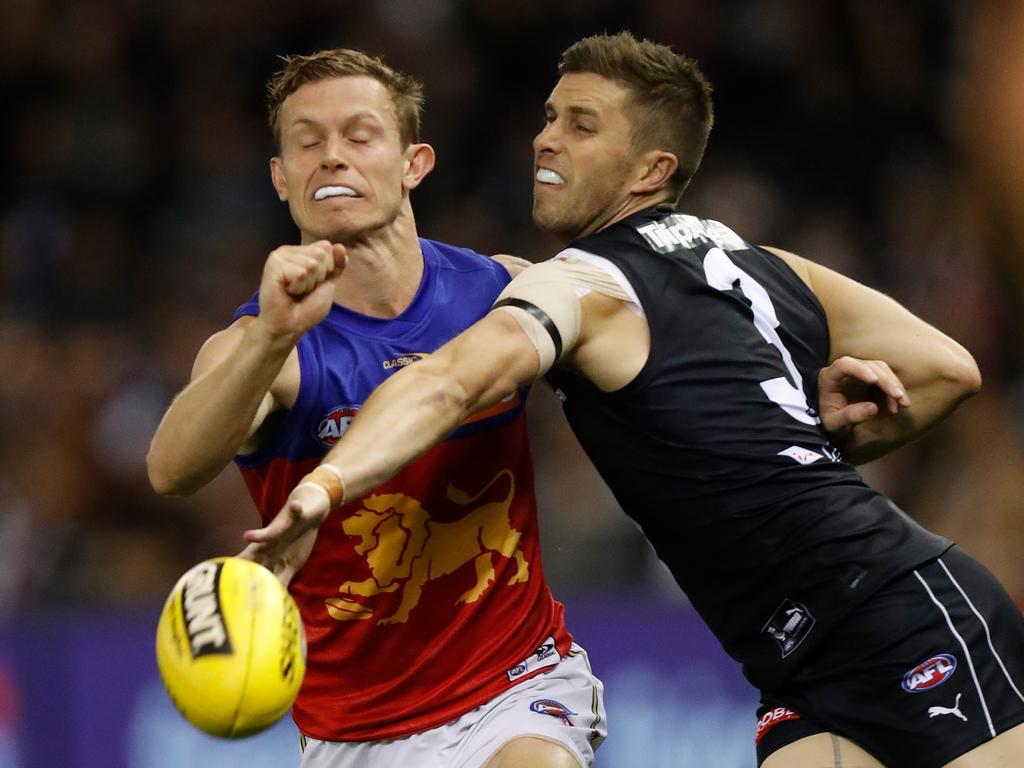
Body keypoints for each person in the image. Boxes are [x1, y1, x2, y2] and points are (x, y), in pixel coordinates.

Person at [241, 33, 1024, 768]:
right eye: (549, 118)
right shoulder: (750, 258)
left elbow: (445, 382)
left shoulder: (583, 278)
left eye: (582, 126)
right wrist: (799, 427)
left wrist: (322, 489)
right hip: (795, 659)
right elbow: (942, 366)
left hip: (895, 614)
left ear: (650, 170)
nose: (547, 140)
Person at [146, 48, 607, 768]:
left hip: (516, 683)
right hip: (355, 734)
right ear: (280, 177)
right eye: (307, 141)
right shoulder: (262, 345)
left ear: (413, 162)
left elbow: (636, 368)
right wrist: (271, 336)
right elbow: (171, 468)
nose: (332, 157)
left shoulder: (502, 293)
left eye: (359, 136)